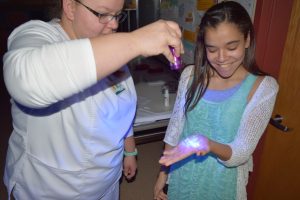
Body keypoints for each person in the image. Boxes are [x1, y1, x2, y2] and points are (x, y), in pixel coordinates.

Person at [2, 0, 183, 199]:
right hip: (51, 189)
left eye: (117, 15)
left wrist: (129, 150)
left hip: (107, 183)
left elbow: (122, 103)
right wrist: (135, 41)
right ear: (70, 7)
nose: (114, 24)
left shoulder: (108, 43)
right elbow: (27, 81)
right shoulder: (37, 35)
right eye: (103, 14)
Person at [153, 1, 279, 200]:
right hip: (183, 172)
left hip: (223, 182)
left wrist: (206, 144)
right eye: (212, 49)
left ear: (247, 39)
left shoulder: (263, 87)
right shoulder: (190, 76)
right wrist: (163, 173)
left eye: (231, 47)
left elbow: (241, 152)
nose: (221, 58)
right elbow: (176, 128)